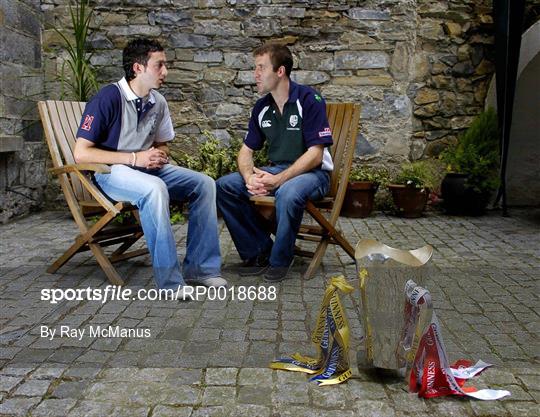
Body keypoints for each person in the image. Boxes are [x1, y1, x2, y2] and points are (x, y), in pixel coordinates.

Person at [74, 38, 226, 294]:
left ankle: (201, 268)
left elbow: (163, 144)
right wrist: (135, 158)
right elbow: (81, 153)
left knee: (205, 184)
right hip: (111, 173)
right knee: (154, 188)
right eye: (160, 65)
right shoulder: (108, 98)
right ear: (138, 68)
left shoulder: (159, 102)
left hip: (147, 169)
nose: (165, 72)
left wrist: (158, 155)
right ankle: (170, 283)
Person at [216, 43, 334, 283]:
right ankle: (259, 253)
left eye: (261, 68)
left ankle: (281, 260)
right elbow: (245, 151)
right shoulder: (261, 107)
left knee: (288, 192)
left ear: (280, 71)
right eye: (255, 68)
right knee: (224, 185)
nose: (255, 74)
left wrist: (277, 180)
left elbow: (316, 155)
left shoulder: (309, 99)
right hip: (278, 170)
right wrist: (249, 178)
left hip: (315, 174)